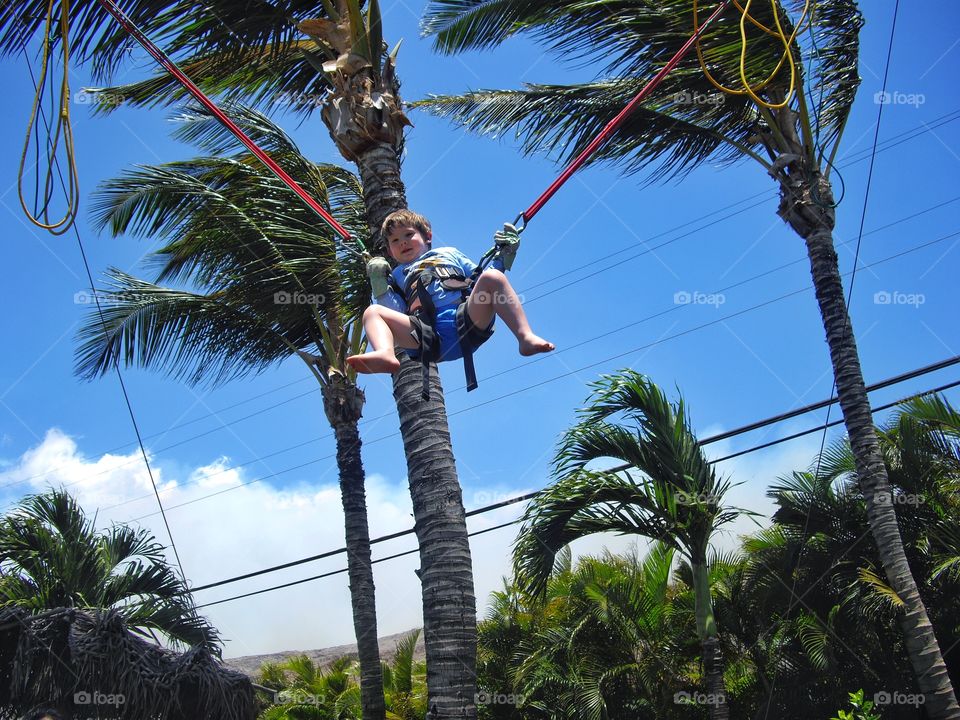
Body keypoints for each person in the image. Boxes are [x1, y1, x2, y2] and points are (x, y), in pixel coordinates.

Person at [345, 209, 554, 378]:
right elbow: (396, 311)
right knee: (373, 312)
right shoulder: (397, 274)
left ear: (427, 236)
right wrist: (379, 282)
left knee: (493, 278)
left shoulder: (449, 253)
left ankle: (525, 337)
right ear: (390, 252)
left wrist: (504, 255)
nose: (403, 242)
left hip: (466, 320)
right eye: (395, 241)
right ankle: (385, 353)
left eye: (409, 235)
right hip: (425, 335)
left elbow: (478, 279)